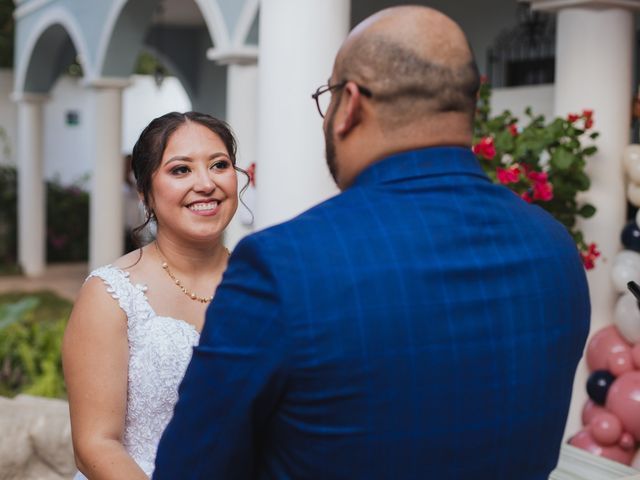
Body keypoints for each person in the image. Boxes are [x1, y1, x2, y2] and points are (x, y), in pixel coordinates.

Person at [154, 6, 590, 479]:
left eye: (328, 99)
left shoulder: (286, 264)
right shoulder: (554, 248)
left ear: (352, 105)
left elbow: (190, 469)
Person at [63, 111, 242, 479]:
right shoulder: (111, 294)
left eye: (219, 165)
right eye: (181, 170)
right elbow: (95, 444)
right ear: (145, 192)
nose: (206, 183)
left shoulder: (263, 284)